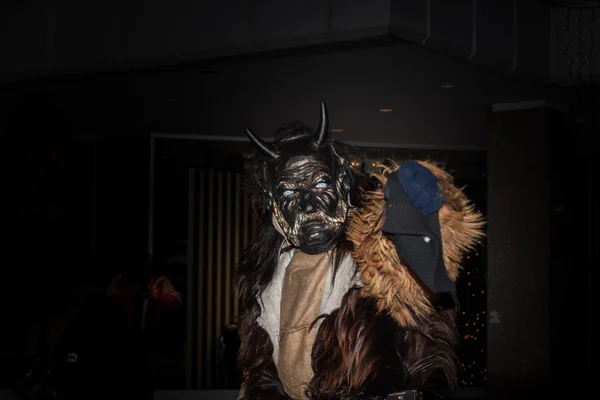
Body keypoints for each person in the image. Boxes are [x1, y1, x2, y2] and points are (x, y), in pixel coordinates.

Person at [236, 102, 485, 399]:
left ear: (341, 183)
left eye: (319, 183)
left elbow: (426, 330)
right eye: (289, 192)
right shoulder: (269, 276)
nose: (307, 203)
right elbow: (261, 370)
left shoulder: (373, 256)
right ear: (274, 205)